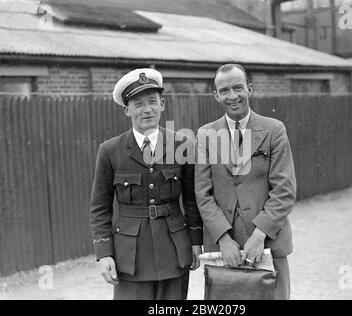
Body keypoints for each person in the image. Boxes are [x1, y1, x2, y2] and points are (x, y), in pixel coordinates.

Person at [90, 68, 203, 300]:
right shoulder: (110, 150)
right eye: (138, 104)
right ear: (126, 110)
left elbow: (191, 199)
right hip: (130, 256)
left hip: (174, 250)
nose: (147, 109)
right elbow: (100, 208)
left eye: (153, 102)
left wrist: (195, 241)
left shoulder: (182, 144)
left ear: (162, 104)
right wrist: (104, 254)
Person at [194, 63, 296, 300]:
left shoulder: (274, 130)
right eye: (225, 90)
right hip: (224, 249)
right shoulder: (205, 135)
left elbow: (285, 190)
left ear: (249, 89)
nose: (233, 96)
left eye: (238, 88)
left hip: (268, 242)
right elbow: (203, 193)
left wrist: (260, 235)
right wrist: (223, 239)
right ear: (216, 95)